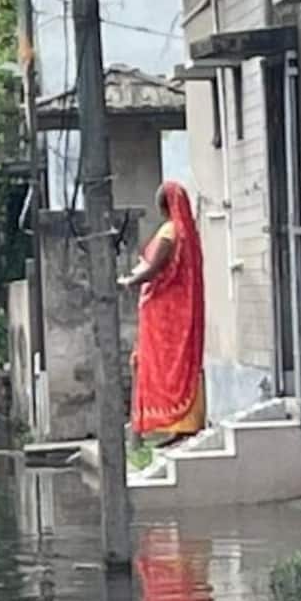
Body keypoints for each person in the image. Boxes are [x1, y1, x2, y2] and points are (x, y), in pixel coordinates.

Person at [121, 182, 207, 443]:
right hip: (182, 310)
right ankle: (185, 424)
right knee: (184, 363)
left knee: (166, 365)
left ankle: (179, 424)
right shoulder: (187, 233)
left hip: (167, 313)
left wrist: (129, 282)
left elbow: (154, 268)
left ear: (163, 206)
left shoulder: (170, 232)